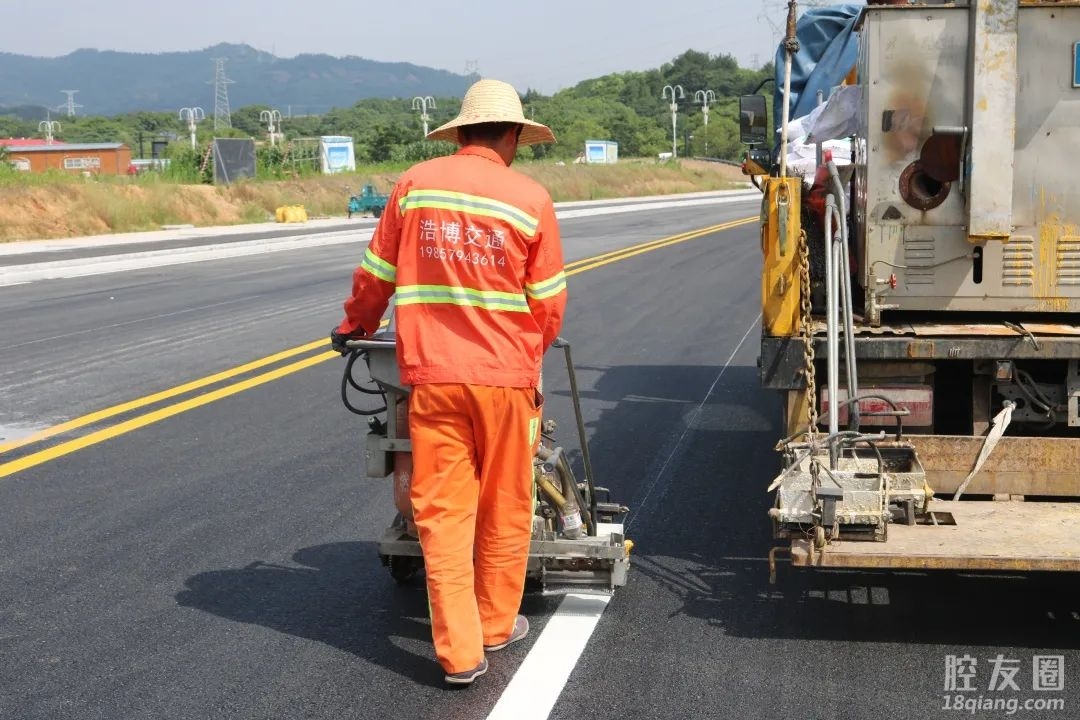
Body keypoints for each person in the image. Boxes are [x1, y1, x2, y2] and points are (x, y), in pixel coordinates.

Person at [330, 78, 567, 686]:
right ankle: (495, 624)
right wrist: (522, 357)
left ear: (459, 133)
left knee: (442, 516)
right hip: (508, 384)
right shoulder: (530, 198)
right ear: (513, 136)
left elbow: (376, 274)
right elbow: (548, 304)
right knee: (507, 506)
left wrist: (354, 325)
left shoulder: (414, 185)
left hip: (433, 381)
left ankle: (462, 655)